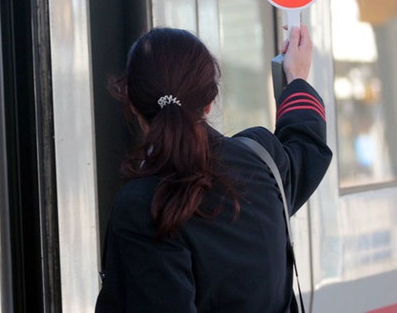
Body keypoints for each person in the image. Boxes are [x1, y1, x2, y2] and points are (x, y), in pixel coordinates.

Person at [95, 25, 332, 312]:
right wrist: (295, 79)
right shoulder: (262, 161)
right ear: (209, 102)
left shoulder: (140, 206)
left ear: (131, 101)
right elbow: (306, 144)